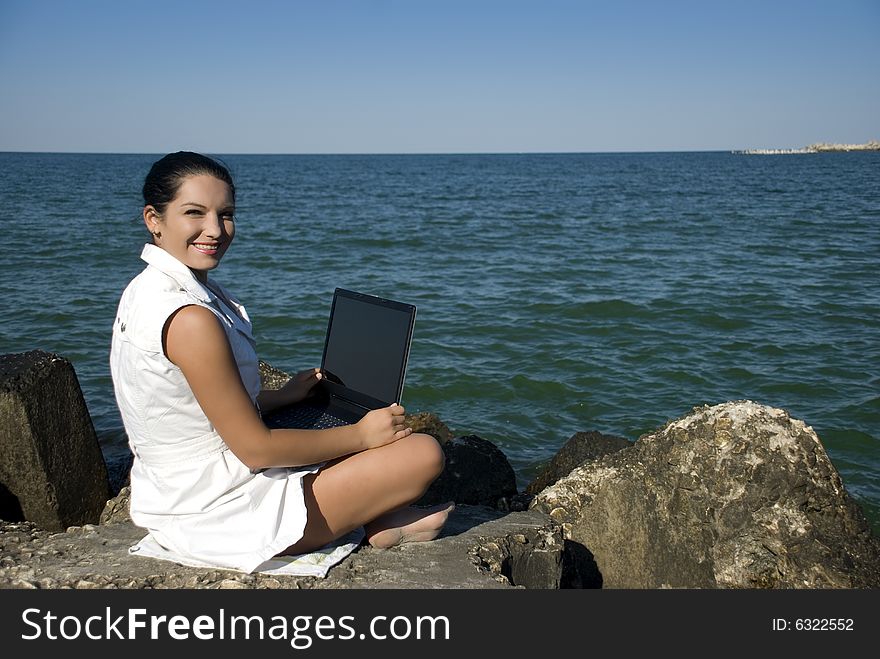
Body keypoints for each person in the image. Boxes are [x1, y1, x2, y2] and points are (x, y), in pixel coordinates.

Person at [110, 151, 453, 573]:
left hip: (178, 489)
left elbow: (190, 408)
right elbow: (255, 449)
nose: (215, 230)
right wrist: (362, 436)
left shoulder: (147, 290)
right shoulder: (190, 319)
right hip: (215, 511)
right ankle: (375, 526)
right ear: (153, 218)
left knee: (333, 425)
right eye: (194, 213)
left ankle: (375, 518)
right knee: (422, 453)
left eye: (226, 214)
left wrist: (279, 398)